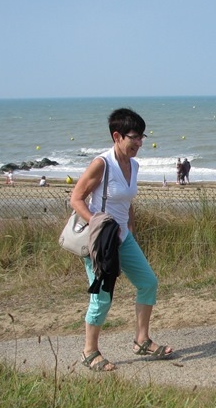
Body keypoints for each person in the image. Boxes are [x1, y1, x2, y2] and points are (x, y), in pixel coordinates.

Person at [70, 108, 173, 372]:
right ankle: (89, 351)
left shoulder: (134, 164)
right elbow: (76, 198)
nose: (140, 143)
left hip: (123, 239)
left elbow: (127, 202)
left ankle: (142, 340)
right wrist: (98, 224)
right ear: (117, 136)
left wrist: (130, 229)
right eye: (134, 137)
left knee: (148, 282)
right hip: (100, 242)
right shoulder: (101, 164)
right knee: (102, 298)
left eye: (142, 137)